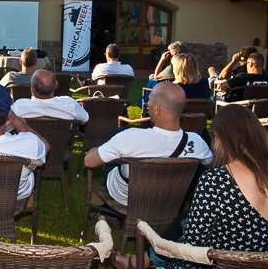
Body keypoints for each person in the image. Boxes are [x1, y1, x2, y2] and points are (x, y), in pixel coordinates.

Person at [111, 105, 268, 269]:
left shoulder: (217, 180)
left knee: (183, 249)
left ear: (219, 137)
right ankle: (140, 261)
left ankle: (139, 264)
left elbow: (192, 246)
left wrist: (159, 244)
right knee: (184, 222)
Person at [84, 82, 213, 206]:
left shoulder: (130, 138)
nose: (146, 103)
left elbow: (89, 161)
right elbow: (210, 165)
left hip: (129, 198)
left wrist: (99, 149)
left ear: (157, 109)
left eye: (149, 100)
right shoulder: (197, 142)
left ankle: (107, 210)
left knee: (115, 149)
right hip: (172, 199)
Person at [11, 70, 89, 124]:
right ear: (56, 85)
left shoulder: (20, 106)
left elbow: (6, 123)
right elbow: (85, 119)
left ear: (33, 88)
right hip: (60, 145)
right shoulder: (69, 104)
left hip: (30, 147)